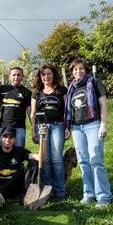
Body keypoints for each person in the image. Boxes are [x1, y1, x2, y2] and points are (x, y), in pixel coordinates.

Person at [65, 58, 112, 208]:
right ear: (72, 72)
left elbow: (103, 105)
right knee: (83, 161)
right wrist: (68, 126)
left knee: (95, 160)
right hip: (77, 127)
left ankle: (104, 196)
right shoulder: (71, 87)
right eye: (75, 69)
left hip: (93, 125)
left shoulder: (95, 83)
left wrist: (103, 124)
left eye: (81, 68)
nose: (78, 71)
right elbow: (70, 110)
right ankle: (89, 193)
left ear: (86, 69)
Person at [30, 64, 67, 199]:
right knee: (45, 160)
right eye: (43, 74)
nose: (46, 77)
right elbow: (33, 113)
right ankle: (48, 190)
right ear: (40, 77)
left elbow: (66, 111)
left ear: (53, 75)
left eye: (49, 74)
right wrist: (33, 130)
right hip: (42, 128)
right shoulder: (36, 92)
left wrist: (67, 127)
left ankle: (60, 191)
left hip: (58, 126)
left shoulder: (61, 90)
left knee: (57, 159)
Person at [0, 127, 40, 208]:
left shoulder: (19, 151)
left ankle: (26, 195)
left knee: (34, 162)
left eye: (11, 137)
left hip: (16, 184)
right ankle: (3, 201)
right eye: (5, 137)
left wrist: (44, 140)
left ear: (15, 140)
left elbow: (39, 157)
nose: (8, 140)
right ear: (1, 138)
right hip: (1, 187)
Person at [0, 66, 32, 147]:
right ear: (9, 76)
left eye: (19, 75)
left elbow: (30, 112)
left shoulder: (27, 92)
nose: (16, 77)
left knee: (19, 152)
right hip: (2, 126)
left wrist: (33, 128)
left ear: (22, 77)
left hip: (19, 127)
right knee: (0, 151)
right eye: (14, 75)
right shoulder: (2, 89)